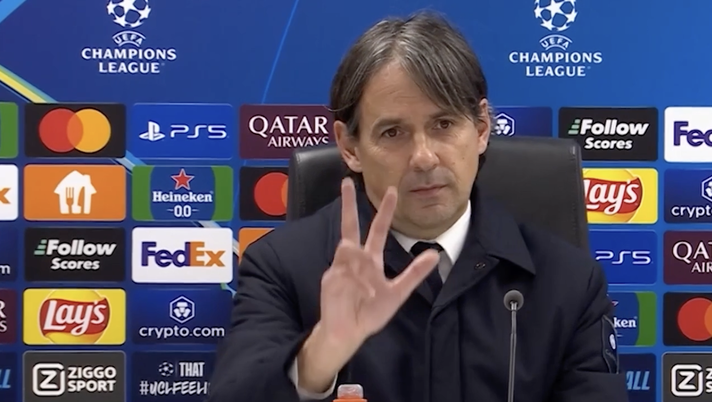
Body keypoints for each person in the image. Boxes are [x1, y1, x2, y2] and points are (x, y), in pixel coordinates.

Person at [208, 11, 629, 402]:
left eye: (443, 124)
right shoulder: (280, 266)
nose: (424, 158)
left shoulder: (570, 282)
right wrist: (318, 357)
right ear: (349, 147)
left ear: (482, 129)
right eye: (393, 133)